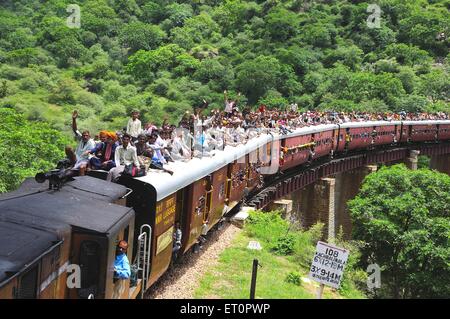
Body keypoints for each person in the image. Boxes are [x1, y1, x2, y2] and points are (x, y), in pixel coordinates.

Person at [67, 110, 96, 176]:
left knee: (82, 167)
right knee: (68, 148)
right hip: (76, 158)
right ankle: (72, 164)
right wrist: (74, 119)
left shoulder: (91, 143)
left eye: (87, 136)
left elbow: (91, 155)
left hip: (84, 160)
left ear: (89, 136)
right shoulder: (81, 139)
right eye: (84, 135)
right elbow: (75, 130)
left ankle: (81, 182)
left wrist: (89, 165)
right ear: (82, 136)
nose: (85, 137)